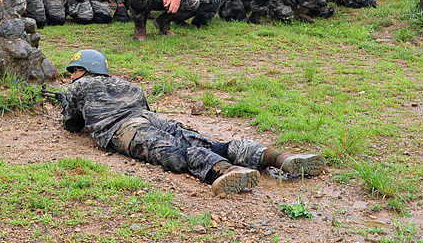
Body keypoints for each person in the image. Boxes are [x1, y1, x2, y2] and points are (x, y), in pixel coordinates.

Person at [50, 49, 325, 195]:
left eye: (74, 70)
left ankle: (226, 171)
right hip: (152, 118)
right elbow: (144, 107)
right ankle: (276, 157)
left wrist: (69, 103)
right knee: (207, 141)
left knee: (173, 153)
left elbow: (72, 124)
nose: (72, 75)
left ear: (83, 70)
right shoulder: (129, 85)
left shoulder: (80, 86)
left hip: (127, 129)